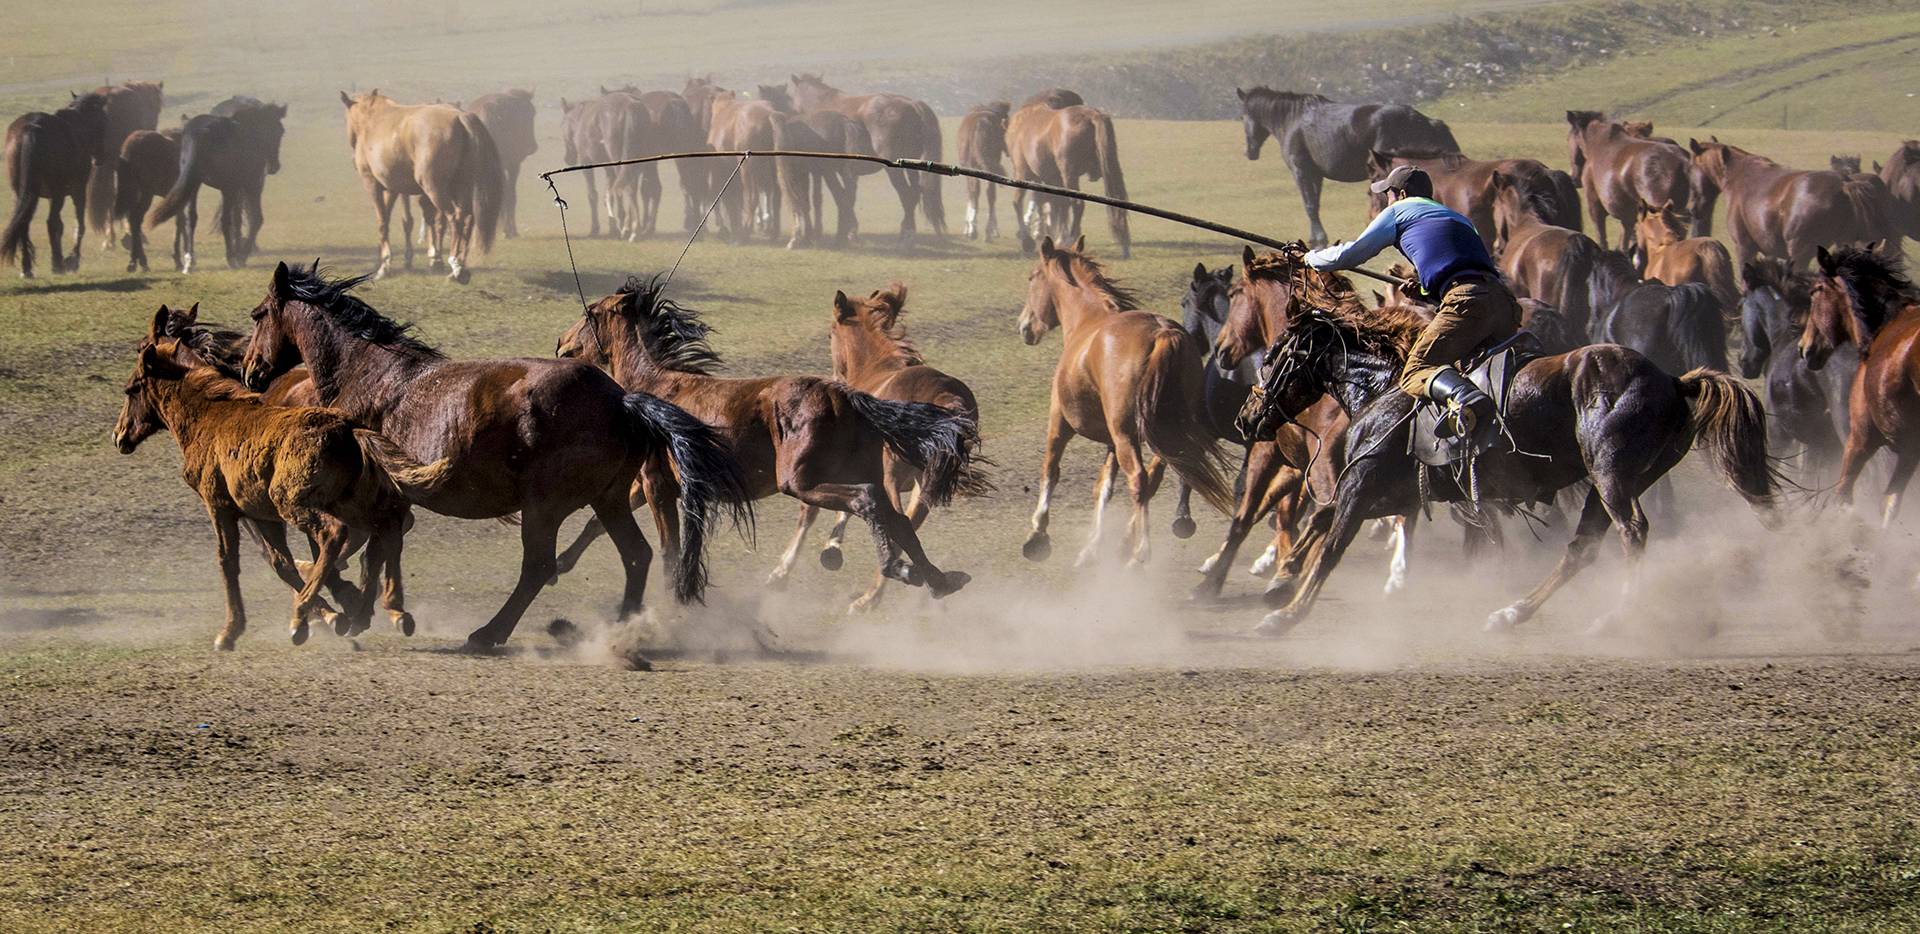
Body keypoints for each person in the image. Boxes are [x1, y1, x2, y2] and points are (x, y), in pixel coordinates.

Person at [1302, 165, 1521, 439]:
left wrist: (1308, 259)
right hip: (1503, 304)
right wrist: (1426, 293)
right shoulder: (1460, 219)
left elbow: (1350, 255)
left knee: (1416, 370)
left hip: (1468, 302)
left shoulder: (1399, 211)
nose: (1386, 201)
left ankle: (1465, 398)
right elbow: (1469, 269)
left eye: (1389, 194)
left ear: (1402, 193)